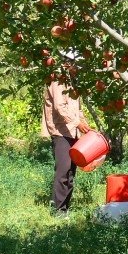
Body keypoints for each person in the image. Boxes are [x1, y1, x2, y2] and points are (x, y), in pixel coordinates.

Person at [42, 79, 90, 214]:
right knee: (63, 170)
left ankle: (65, 207)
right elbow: (59, 107)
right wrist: (77, 123)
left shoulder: (74, 82)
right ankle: (58, 209)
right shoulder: (57, 82)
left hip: (73, 132)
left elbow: (78, 109)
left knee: (70, 172)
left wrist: (84, 125)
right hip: (61, 131)